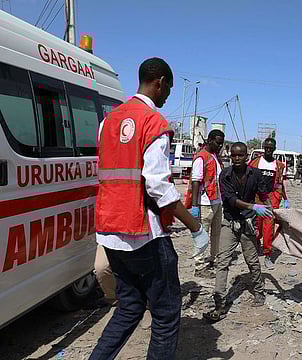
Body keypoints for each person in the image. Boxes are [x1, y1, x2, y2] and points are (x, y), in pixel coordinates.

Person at [90, 57, 209, 360]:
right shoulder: (154, 123)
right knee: (167, 313)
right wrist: (196, 227)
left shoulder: (108, 121)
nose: (167, 95)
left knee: (129, 306)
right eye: (168, 89)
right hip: (144, 233)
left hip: (110, 231)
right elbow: (157, 185)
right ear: (161, 82)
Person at [204, 142, 272, 322]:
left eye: (240, 155)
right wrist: (253, 206)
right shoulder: (225, 175)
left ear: (246, 156)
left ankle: (259, 291)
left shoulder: (255, 174)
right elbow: (231, 200)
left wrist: (268, 207)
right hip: (230, 221)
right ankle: (219, 301)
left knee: (251, 260)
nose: (236, 159)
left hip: (248, 222)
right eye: (233, 155)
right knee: (222, 261)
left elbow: (264, 194)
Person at [184, 130, 224, 277]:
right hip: (205, 203)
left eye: (221, 143)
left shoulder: (215, 157)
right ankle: (199, 266)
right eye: (217, 142)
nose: (220, 146)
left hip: (217, 201)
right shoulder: (202, 157)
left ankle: (214, 258)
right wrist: (195, 206)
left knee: (216, 234)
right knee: (202, 235)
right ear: (209, 140)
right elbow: (196, 181)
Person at [248, 137, 289, 269]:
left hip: (271, 200)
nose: (268, 150)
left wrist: (285, 199)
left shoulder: (278, 165)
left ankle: (268, 254)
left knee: (268, 228)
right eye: (266, 147)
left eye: (271, 148)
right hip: (257, 199)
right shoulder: (254, 163)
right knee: (257, 227)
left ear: (274, 149)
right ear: (263, 147)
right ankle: (256, 246)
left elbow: (280, 183)